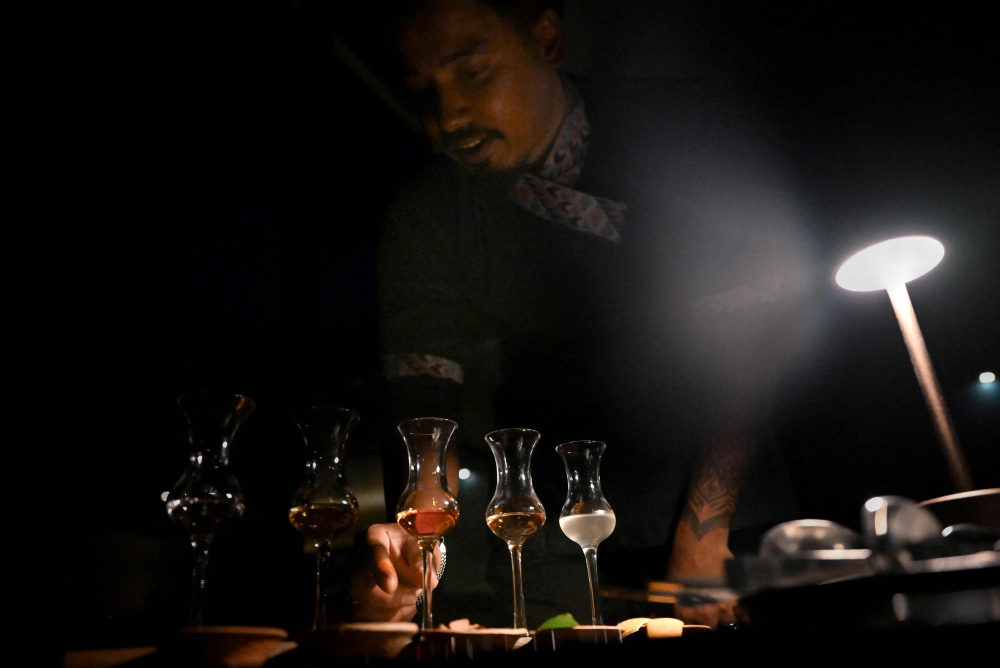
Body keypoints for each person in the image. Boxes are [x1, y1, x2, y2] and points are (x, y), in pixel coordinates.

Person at [348, 0, 808, 628]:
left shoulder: (679, 128)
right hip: (547, 533)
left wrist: (703, 537)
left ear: (548, 39)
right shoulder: (428, 217)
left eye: (474, 72)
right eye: (424, 91)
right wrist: (421, 541)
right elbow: (430, 403)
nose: (447, 117)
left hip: (721, 519)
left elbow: (747, 350)